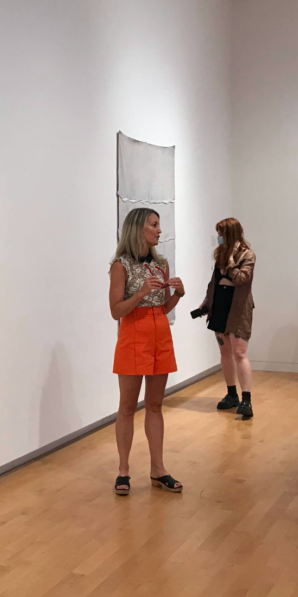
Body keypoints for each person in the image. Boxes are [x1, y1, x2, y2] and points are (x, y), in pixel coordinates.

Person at [109, 207, 186, 497]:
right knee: (128, 405)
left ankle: (158, 469)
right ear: (139, 228)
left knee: (155, 405)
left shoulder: (160, 264)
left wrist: (177, 294)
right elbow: (115, 310)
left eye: (159, 225)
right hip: (133, 333)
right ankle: (123, 470)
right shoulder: (121, 265)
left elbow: (162, 307)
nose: (159, 230)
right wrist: (140, 293)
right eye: (154, 225)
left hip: (160, 333)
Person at [201, 218, 256, 420]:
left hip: (238, 309)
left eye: (222, 233)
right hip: (220, 306)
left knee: (239, 353)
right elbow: (214, 280)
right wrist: (207, 301)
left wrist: (232, 263)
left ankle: (246, 399)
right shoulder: (220, 254)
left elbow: (242, 278)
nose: (219, 237)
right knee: (225, 351)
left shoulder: (247, 255)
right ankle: (231, 394)